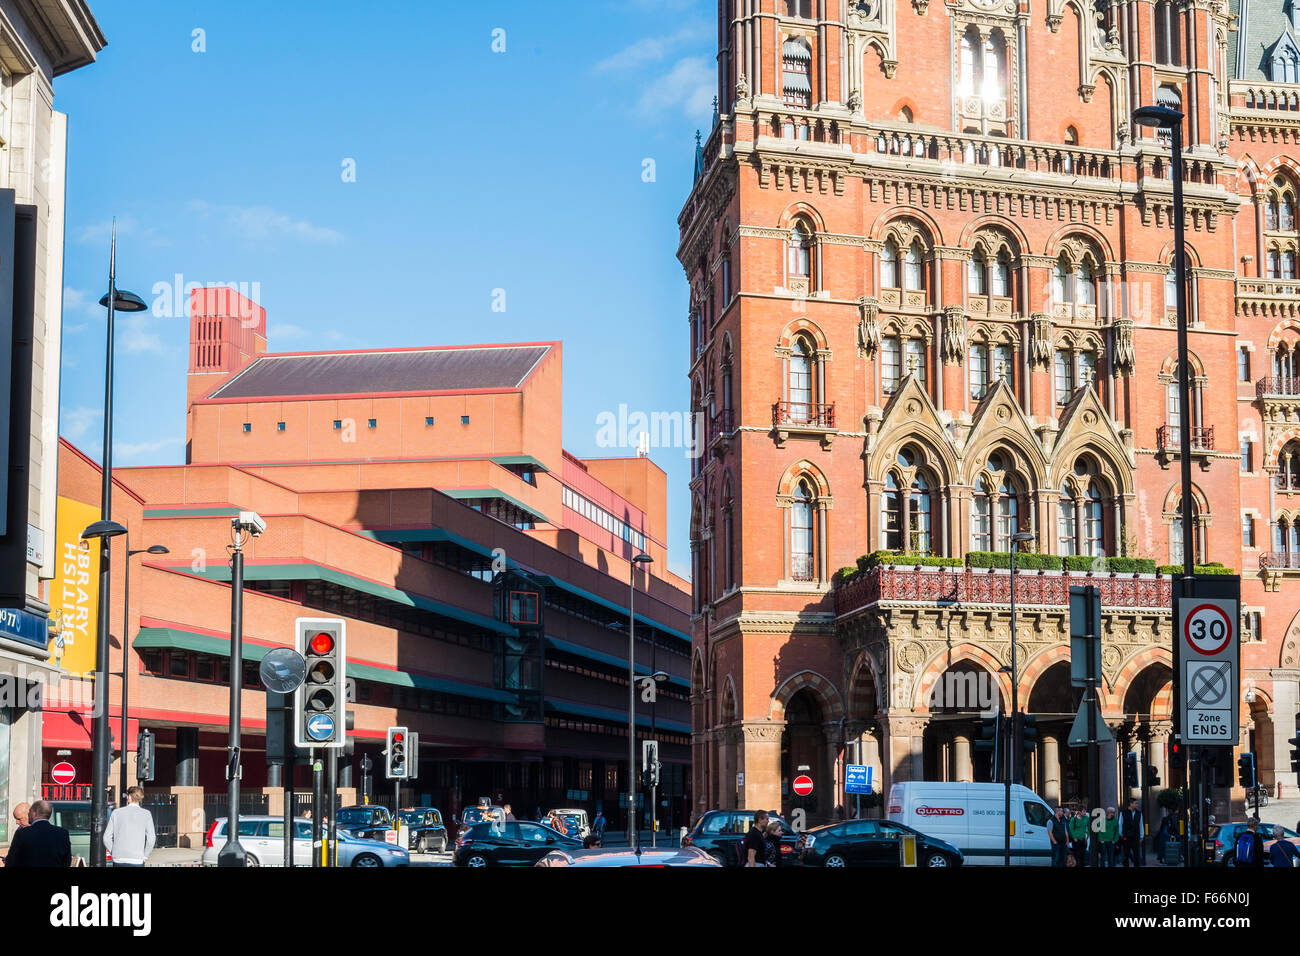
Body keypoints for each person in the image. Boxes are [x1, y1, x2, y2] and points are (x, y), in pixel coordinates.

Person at [3, 800, 70, 868]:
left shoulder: (22, 834)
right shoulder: (63, 833)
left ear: (31, 813)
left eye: (19, 819)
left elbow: (11, 863)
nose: (16, 822)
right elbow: (66, 862)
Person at [103, 786, 156, 867]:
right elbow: (151, 839)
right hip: (137, 859)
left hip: (119, 858)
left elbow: (106, 838)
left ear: (129, 797)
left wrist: (113, 851)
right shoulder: (146, 814)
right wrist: (145, 855)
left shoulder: (116, 813)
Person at [1119, 798, 1142, 867]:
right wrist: (1121, 834)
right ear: (1131, 804)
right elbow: (1120, 824)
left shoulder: (1139, 813)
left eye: (1137, 803)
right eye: (1135, 803)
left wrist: (1141, 835)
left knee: (1136, 856)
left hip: (1136, 837)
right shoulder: (1123, 813)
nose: (1137, 805)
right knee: (1126, 856)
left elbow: (1141, 825)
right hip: (1126, 837)